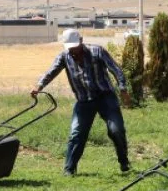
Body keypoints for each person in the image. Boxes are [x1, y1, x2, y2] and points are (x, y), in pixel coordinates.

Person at [31, 29, 131, 175]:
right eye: (70, 47)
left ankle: (124, 161)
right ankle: (69, 169)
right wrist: (38, 86)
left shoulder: (97, 51)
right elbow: (51, 72)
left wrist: (123, 89)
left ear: (81, 41)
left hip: (105, 97)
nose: (73, 51)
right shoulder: (64, 56)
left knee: (116, 130)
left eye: (75, 47)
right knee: (76, 133)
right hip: (84, 100)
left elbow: (116, 69)